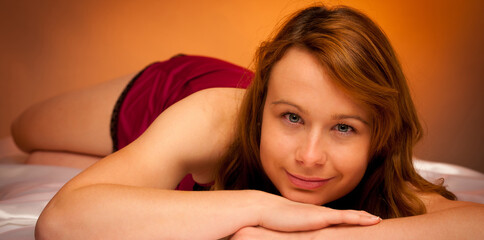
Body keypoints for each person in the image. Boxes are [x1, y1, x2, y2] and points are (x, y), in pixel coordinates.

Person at [11, 4, 484, 240]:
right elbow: (59, 221)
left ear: (381, 135)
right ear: (261, 108)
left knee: (47, 159)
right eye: (291, 118)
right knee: (24, 134)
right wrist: (259, 208)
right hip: (163, 97)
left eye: (344, 127)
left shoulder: (388, 179)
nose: (310, 156)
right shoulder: (213, 116)